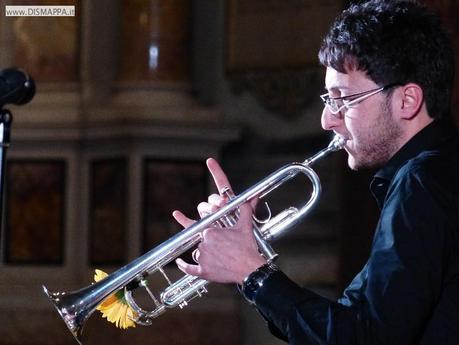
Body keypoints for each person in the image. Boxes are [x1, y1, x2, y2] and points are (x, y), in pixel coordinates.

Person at [173, 0, 459, 344]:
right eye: (328, 98)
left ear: (407, 100)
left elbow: (365, 339)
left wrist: (252, 273)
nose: (327, 119)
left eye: (343, 99)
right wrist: (248, 259)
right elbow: (357, 320)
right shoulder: (438, 171)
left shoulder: (421, 182)